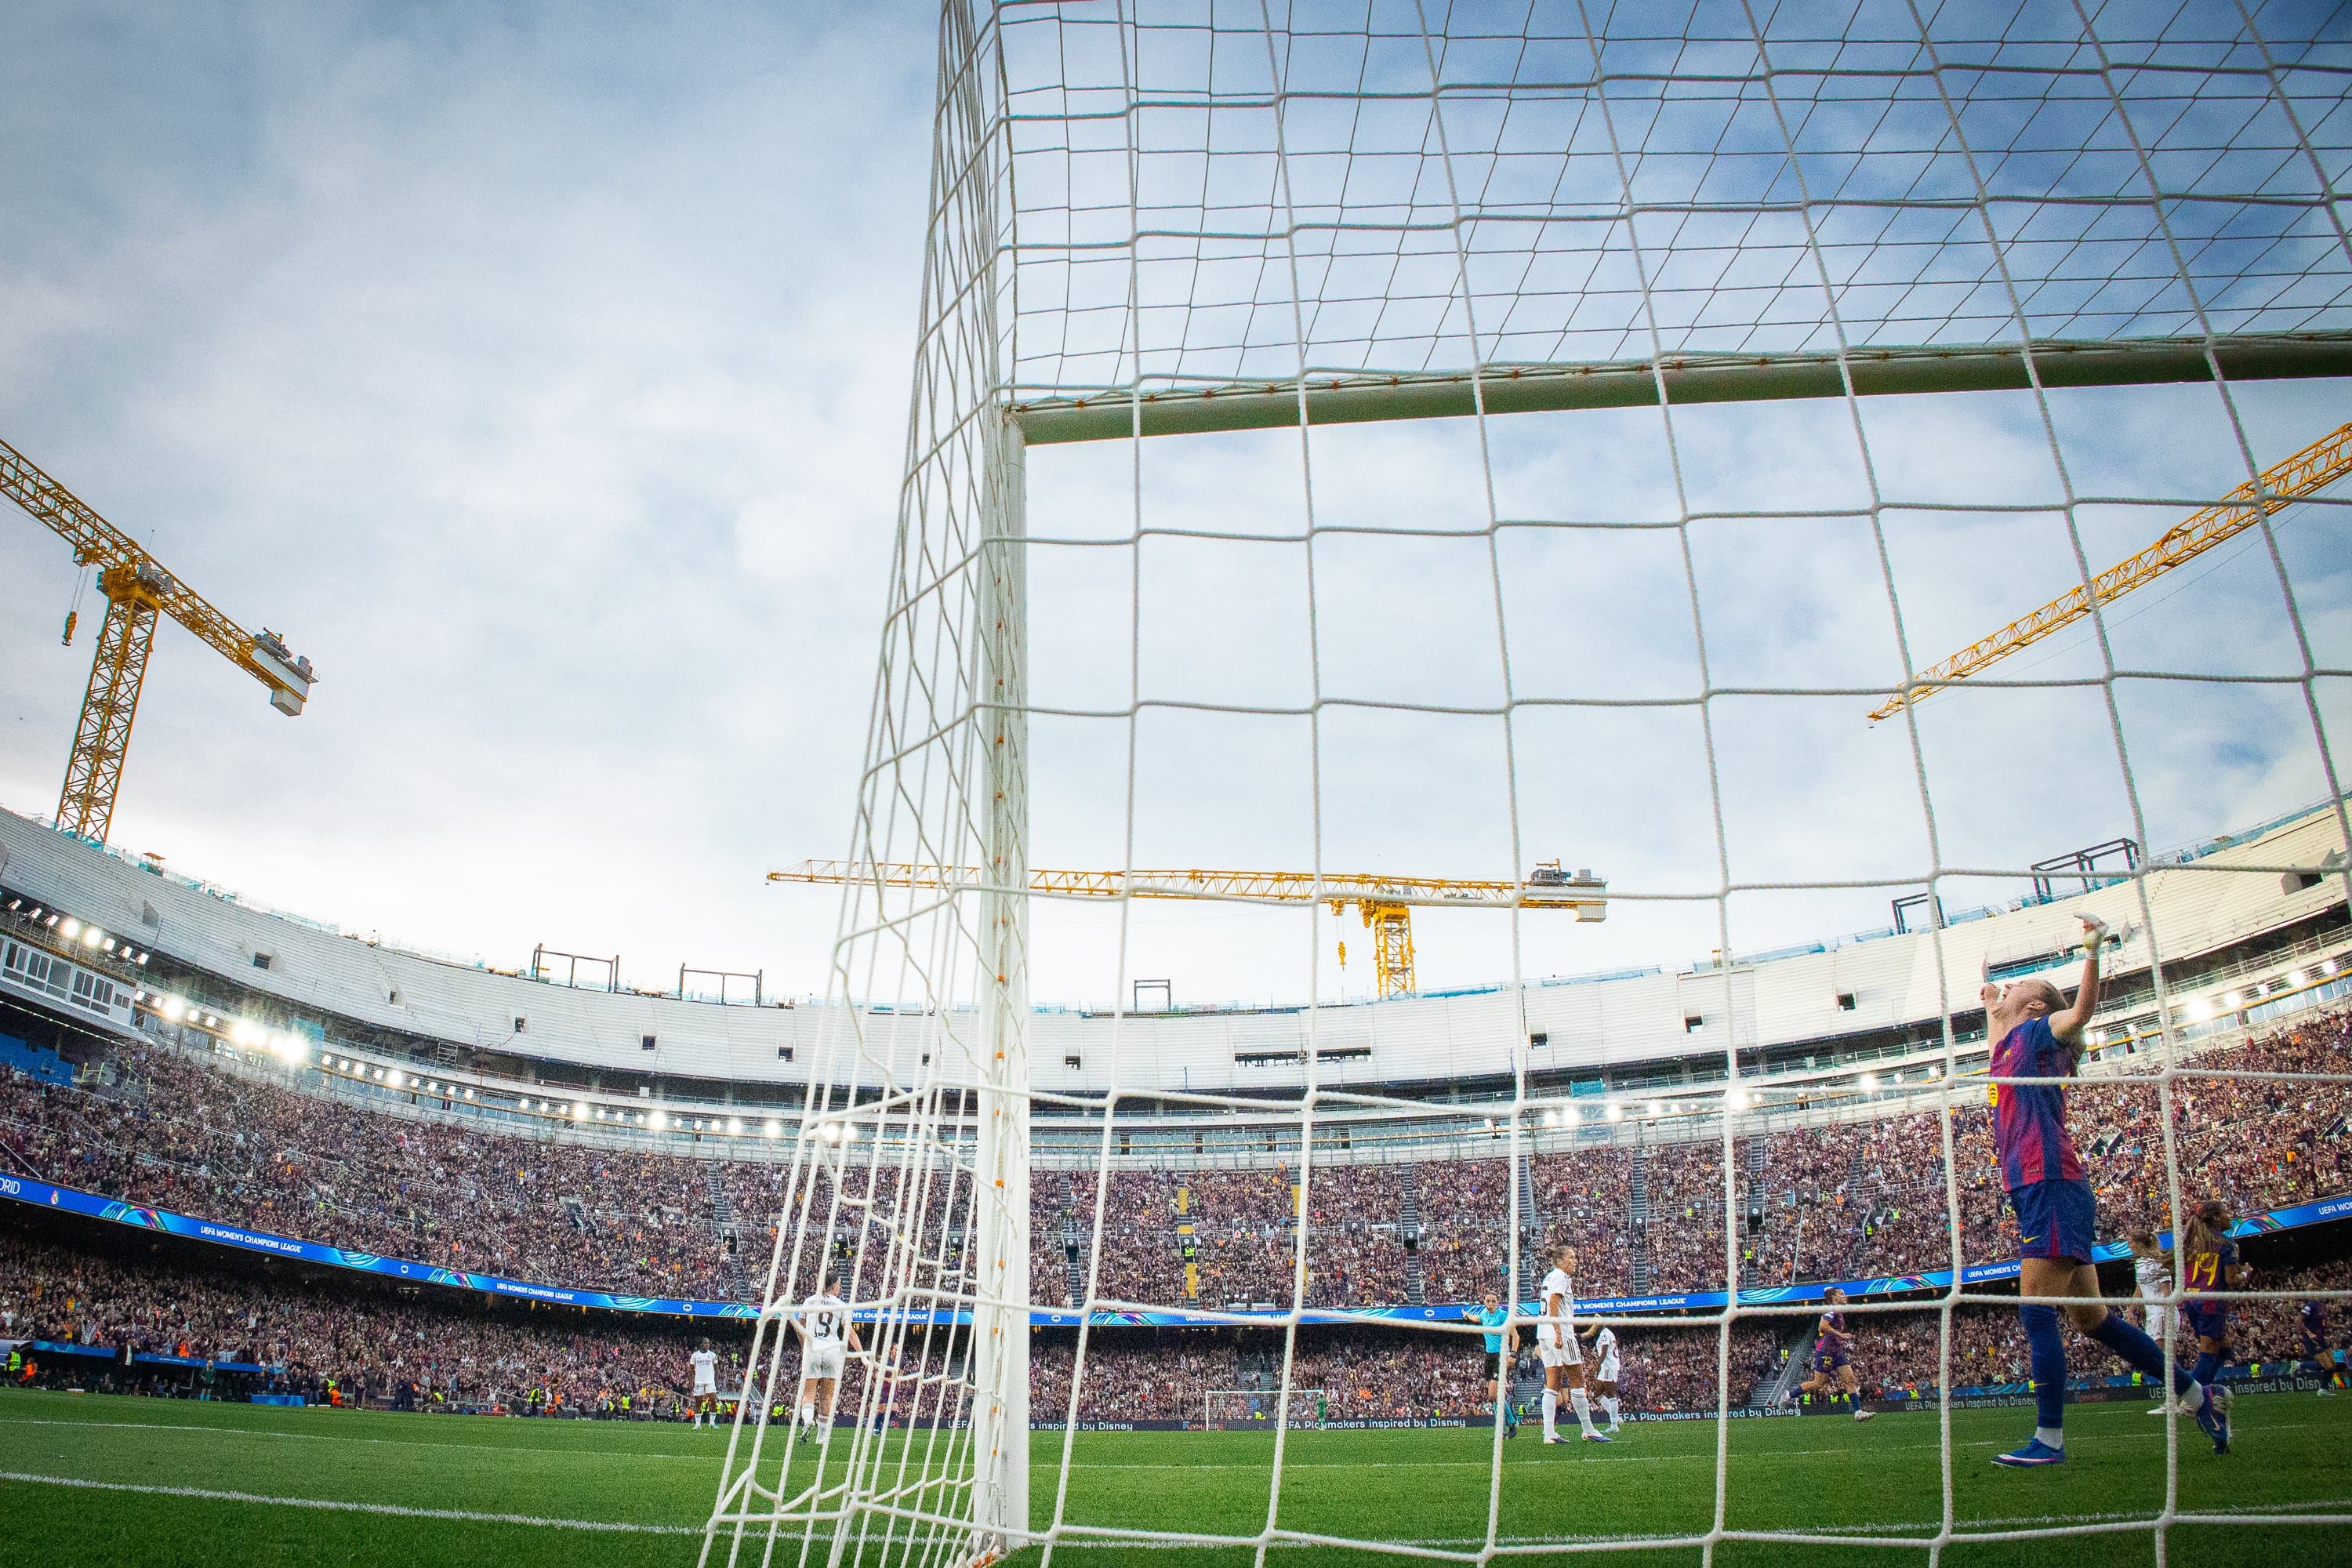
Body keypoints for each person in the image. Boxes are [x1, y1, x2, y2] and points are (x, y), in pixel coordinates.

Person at [1984, 914, 2220, 1468]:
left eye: (2023, 986)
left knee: (2035, 1308)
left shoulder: (2042, 1035)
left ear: (2038, 1007)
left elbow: (2084, 1010)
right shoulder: (2011, 1045)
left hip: (2050, 1180)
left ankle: (2050, 1440)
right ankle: (2197, 1395)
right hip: (2033, 1184)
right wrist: (1990, 1003)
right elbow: (1996, 1037)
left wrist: (2091, 948)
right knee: (2093, 1320)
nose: (2015, 986)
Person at [2179, 1199, 2245, 1452]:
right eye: (2227, 1212)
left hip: (2191, 1300)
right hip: (2211, 1301)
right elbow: (2231, 1279)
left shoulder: (2191, 1244)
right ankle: (2192, 1398)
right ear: (2216, 1218)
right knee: (2209, 1350)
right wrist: (2245, 1274)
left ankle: (2209, 1398)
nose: (2230, 1216)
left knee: (2224, 1349)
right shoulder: (2226, 1245)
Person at [1536, 1245, 1607, 1444]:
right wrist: (1559, 1333)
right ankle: (1588, 1429)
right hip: (1561, 1333)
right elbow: (1553, 1303)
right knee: (1578, 1380)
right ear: (1559, 1261)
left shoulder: (1549, 1276)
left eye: (1575, 1257)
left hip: (1543, 1332)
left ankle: (1549, 1433)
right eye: (1571, 1257)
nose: (1575, 1261)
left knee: (1553, 1384)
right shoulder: (1560, 1276)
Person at [795, 1274, 859, 1440]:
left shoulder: (809, 1301)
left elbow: (799, 1328)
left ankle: (808, 1419)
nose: (839, 1288)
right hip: (832, 1349)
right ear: (833, 1286)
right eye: (838, 1284)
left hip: (813, 1348)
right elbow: (850, 1332)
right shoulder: (840, 1305)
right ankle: (822, 1438)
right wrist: (861, 1354)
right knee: (827, 1395)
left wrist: (805, 1347)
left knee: (809, 1393)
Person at [1806, 1289, 1873, 1421]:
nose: (1845, 1296)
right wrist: (1841, 1335)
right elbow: (1822, 1326)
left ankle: (1858, 1412)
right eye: (1841, 1294)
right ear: (1834, 1298)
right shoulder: (1832, 1311)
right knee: (1819, 1383)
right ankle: (1789, 1395)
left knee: (1850, 1379)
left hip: (1837, 1351)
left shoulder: (1838, 1311)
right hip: (1827, 1351)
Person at [1476, 1290, 1520, 1439]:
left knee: (1493, 1395)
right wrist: (1466, 1315)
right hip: (1489, 1357)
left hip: (1501, 1356)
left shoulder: (1502, 1315)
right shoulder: (1484, 1315)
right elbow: (1477, 1319)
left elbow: (1515, 1335)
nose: (1490, 1304)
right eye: (1488, 1301)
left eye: (1493, 1301)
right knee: (1495, 1397)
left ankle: (1512, 1422)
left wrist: (1513, 1354)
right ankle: (1502, 1430)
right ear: (1484, 1302)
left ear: (1498, 1302)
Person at [1579, 1321, 1624, 1433]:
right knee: (1597, 1393)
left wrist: (1597, 1366)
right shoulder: (1606, 1333)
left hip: (1608, 1366)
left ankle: (1614, 1424)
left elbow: (1604, 1352)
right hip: (1606, 1366)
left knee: (1611, 1393)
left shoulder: (1605, 1334)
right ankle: (1616, 1417)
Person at [2297, 1298, 2345, 1396]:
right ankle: (2299, 1365)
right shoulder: (2310, 1305)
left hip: (2320, 1338)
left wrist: (2339, 1326)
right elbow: (2298, 1320)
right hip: (2312, 1339)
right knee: (2327, 1364)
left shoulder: (2322, 1306)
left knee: (2332, 1364)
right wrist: (2309, 1333)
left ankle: (2323, 1389)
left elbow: (2325, 1324)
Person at [689, 1338, 720, 1428]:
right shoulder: (695, 1355)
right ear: (701, 1344)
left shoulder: (712, 1355)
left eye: (708, 1343)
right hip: (699, 1381)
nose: (707, 1345)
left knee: (713, 1401)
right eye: (706, 1343)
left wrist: (715, 1381)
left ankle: (712, 1423)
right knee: (698, 1402)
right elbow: (691, 1370)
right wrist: (690, 1382)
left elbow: (717, 1369)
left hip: (710, 1381)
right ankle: (698, 1424)